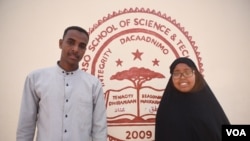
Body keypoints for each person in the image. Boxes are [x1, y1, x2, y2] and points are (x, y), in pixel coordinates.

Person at [16, 26, 107, 141]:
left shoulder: (93, 85)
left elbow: (99, 130)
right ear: (60, 43)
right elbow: (26, 126)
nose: (75, 49)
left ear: (85, 51)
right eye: (71, 42)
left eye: (81, 46)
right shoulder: (35, 79)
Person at [155, 57, 230, 141]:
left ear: (196, 75)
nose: (182, 77)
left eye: (187, 72)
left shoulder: (209, 106)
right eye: (176, 73)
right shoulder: (165, 109)